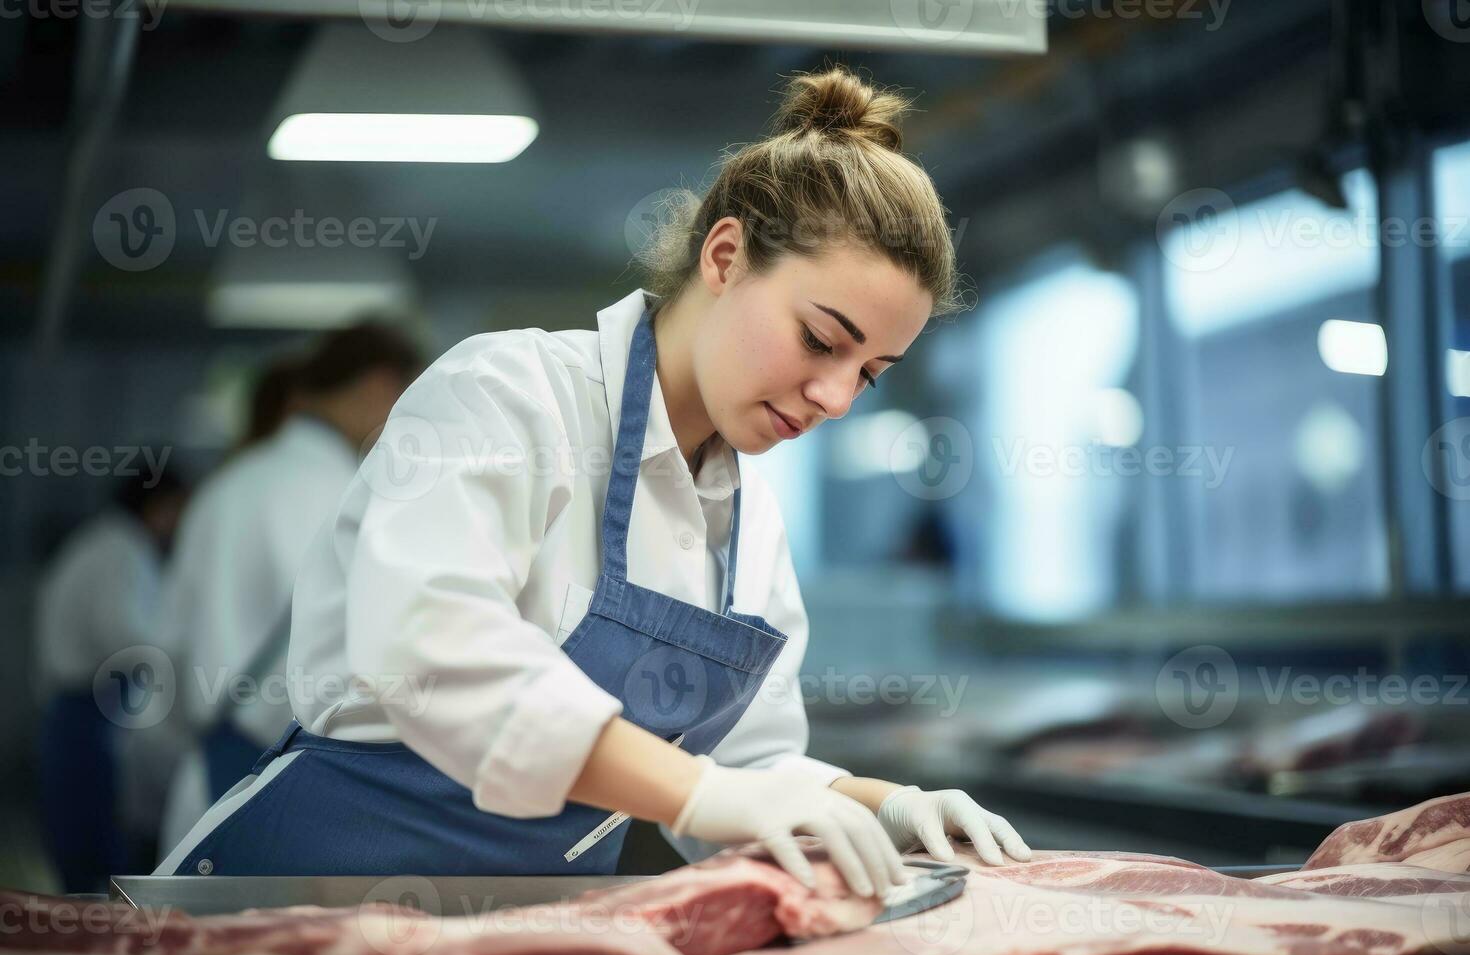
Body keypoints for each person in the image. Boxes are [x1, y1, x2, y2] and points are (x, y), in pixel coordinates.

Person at [157, 66, 1030, 898]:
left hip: (516, 935)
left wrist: (888, 806)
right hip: (300, 900)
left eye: (872, 373)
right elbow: (430, 651)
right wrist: (694, 794)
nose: (837, 397)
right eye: (819, 339)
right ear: (725, 257)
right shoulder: (508, 396)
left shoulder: (746, 520)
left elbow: (748, 769)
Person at [156, 323, 422, 854]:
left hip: (207, 780)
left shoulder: (225, 485)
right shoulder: (355, 494)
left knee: (198, 937)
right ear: (380, 386)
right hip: (300, 790)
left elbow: (166, 643)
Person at [34, 468, 186, 892]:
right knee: (93, 847)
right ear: (156, 507)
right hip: (91, 707)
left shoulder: (100, 543)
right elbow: (126, 634)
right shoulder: (122, 550)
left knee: (83, 838)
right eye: (176, 509)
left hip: (82, 706)